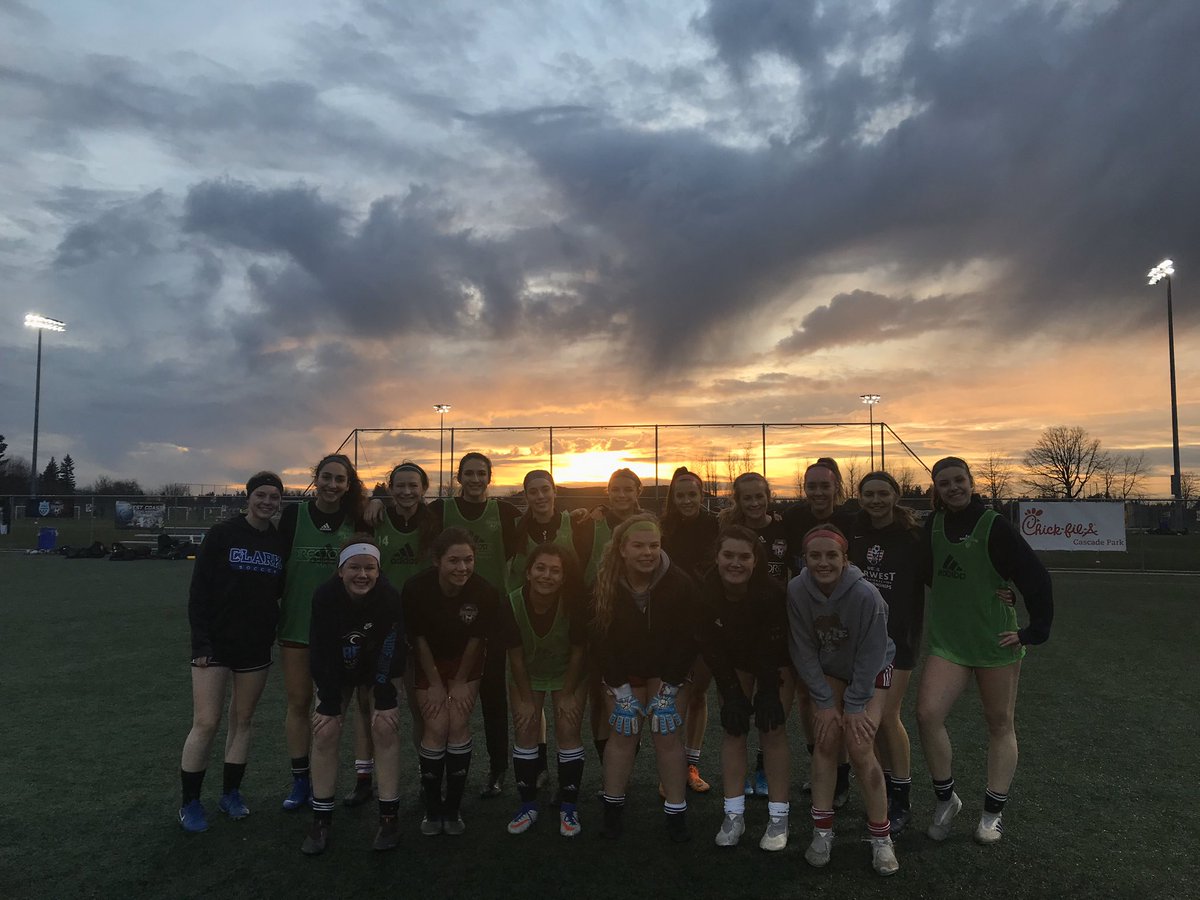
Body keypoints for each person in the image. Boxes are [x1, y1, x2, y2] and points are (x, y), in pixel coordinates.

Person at [916, 457, 1053, 845]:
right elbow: (927, 575)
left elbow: (1036, 577)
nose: (953, 487)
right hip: (949, 643)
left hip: (995, 643)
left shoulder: (995, 525)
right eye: (944, 483)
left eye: (959, 480)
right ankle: (946, 800)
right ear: (936, 489)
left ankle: (991, 815)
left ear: (971, 482)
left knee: (999, 724)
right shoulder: (934, 526)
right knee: (927, 715)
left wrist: (1034, 630)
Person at [787, 525, 900, 876]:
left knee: (860, 743)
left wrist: (854, 706)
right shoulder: (796, 590)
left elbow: (871, 654)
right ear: (804, 559)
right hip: (831, 668)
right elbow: (802, 648)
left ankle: (881, 837)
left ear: (844, 558)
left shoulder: (866, 595)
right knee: (825, 740)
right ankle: (822, 832)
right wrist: (823, 702)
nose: (823, 562)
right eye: (815, 556)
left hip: (872, 669)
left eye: (831, 555)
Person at [178, 471, 287, 833]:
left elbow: (280, 591)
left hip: (255, 646)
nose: (268, 502)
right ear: (249, 497)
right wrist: (202, 643)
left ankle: (230, 794)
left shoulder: (278, 541)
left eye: (274, 497)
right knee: (206, 722)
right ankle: (190, 802)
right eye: (262, 495)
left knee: (243, 720)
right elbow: (199, 592)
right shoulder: (222, 534)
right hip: (216, 646)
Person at [591, 513, 697, 843]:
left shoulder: (679, 582)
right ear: (622, 549)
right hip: (624, 670)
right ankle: (613, 809)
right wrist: (619, 688)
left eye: (654, 545)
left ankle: (676, 813)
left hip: (667, 670)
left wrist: (669, 688)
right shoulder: (603, 581)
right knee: (623, 733)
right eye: (638, 546)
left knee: (666, 734)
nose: (647, 552)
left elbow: (687, 639)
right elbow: (600, 640)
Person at [300, 536, 406, 855]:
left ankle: (389, 818)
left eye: (369, 568)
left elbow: (391, 648)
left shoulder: (388, 597)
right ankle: (321, 819)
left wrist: (385, 697)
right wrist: (329, 702)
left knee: (385, 728)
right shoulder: (325, 597)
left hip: (377, 668)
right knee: (326, 731)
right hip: (338, 668)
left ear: (378, 570)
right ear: (340, 571)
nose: (362, 575)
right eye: (355, 568)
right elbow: (321, 651)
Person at [342, 461, 437, 808]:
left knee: (419, 708)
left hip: (420, 626)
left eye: (414, 485)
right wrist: (374, 500)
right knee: (366, 705)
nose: (407, 491)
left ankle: (428, 778)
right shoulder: (374, 517)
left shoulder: (435, 520)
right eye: (400, 485)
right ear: (390, 487)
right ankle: (364, 777)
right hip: (376, 624)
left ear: (424, 489)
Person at [277, 453, 368, 811]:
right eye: (326, 477)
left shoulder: (357, 519)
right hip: (298, 626)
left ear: (348, 484)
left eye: (340, 480)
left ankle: (345, 779)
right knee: (299, 703)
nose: (332, 485)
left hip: (343, 632)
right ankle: (301, 780)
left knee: (341, 708)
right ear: (316, 478)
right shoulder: (292, 516)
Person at [403, 527, 509, 835]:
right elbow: (418, 638)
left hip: (465, 661)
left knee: (458, 723)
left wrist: (461, 680)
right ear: (437, 561)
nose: (462, 568)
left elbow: (477, 639)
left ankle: (454, 809)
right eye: (454, 561)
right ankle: (433, 808)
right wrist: (435, 683)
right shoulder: (415, 588)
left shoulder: (484, 592)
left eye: (468, 560)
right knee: (436, 726)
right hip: (428, 662)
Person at [695, 526, 794, 851]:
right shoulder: (706, 591)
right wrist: (732, 692)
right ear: (717, 557)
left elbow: (773, 646)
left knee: (772, 729)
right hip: (733, 660)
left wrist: (767, 691)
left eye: (744, 556)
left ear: (756, 561)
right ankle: (733, 813)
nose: (735, 563)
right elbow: (711, 646)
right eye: (728, 555)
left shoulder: (772, 592)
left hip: (774, 660)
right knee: (733, 728)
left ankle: (779, 817)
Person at [430, 452, 522, 799]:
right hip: (449, 617)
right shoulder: (439, 511)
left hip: (492, 618)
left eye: (481, 473)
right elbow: (404, 520)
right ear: (458, 477)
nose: (474, 479)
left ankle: (498, 770)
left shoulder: (507, 513)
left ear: (490, 477)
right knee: (449, 696)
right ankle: (444, 768)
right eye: (468, 473)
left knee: (493, 696)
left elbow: (544, 527)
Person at [848, 471, 924, 834]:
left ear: (896, 495)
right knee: (867, 722)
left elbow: (947, 576)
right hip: (860, 641)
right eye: (869, 494)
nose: (876, 500)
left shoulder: (913, 537)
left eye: (883, 493)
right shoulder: (853, 532)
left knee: (888, 717)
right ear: (860, 497)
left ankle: (901, 798)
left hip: (899, 639)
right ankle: (880, 791)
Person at [782, 457, 856, 805]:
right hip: (803, 621)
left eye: (825, 486)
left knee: (835, 699)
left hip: (843, 627)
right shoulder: (793, 518)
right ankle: (821, 764)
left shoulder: (851, 519)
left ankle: (840, 775)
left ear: (836, 487)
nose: (818, 492)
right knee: (806, 698)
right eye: (812, 486)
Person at [503, 543, 589, 837]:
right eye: (540, 568)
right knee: (525, 728)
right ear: (528, 572)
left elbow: (579, 652)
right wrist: (527, 699)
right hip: (527, 673)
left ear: (564, 577)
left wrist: (566, 694)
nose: (547, 575)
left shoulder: (575, 603)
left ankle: (569, 808)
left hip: (568, 672)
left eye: (555, 571)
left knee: (568, 729)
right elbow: (514, 655)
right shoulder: (512, 602)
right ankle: (527, 806)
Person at [720, 471, 790, 797]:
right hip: (738, 632)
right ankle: (740, 780)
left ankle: (763, 769)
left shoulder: (782, 527)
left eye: (759, 496)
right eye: (746, 497)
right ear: (738, 500)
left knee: (772, 712)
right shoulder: (729, 531)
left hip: (776, 630)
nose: (753, 502)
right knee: (737, 714)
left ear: (768, 495)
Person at [660, 466, 719, 794]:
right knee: (671, 694)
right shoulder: (662, 527)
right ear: (673, 497)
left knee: (698, 693)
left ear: (701, 495)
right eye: (680, 495)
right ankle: (669, 768)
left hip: (708, 620)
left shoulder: (716, 525)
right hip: (671, 622)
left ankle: (691, 765)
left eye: (692, 494)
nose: (686, 500)